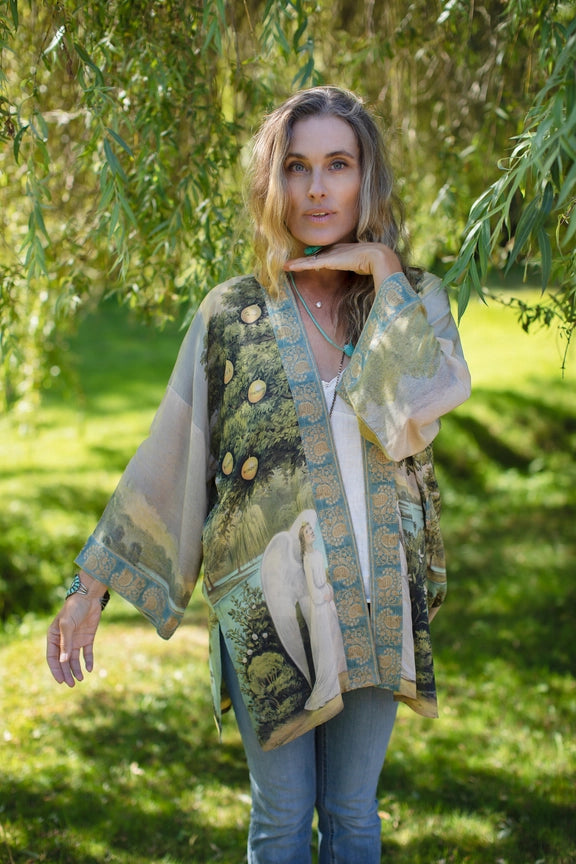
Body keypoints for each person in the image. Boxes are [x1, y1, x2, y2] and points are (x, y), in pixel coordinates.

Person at [47, 86, 471, 864]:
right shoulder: (231, 313)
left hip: (376, 594)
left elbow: (421, 399)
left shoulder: (414, 300)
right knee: (281, 817)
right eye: (297, 167)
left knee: (352, 813)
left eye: (338, 165)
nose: (317, 189)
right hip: (268, 607)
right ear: (274, 183)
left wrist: (381, 269)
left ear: (366, 177)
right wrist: (89, 588)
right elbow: (171, 455)